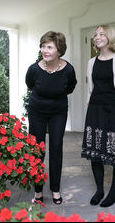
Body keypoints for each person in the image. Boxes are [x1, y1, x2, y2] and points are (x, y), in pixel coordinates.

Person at [81, 25, 115, 208]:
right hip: (95, 109)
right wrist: (88, 111)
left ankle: (114, 192)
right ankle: (100, 190)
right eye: (95, 34)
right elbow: (90, 90)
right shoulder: (91, 62)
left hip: (114, 111)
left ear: (110, 37)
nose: (97, 37)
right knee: (95, 153)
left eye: (101, 33)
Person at [25, 31, 77, 205]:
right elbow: (30, 84)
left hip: (58, 112)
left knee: (56, 148)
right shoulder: (34, 69)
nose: (44, 50)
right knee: (37, 149)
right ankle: (38, 191)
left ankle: (55, 189)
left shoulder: (68, 69)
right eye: (43, 46)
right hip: (37, 111)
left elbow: (70, 87)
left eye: (49, 47)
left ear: (59, 50)